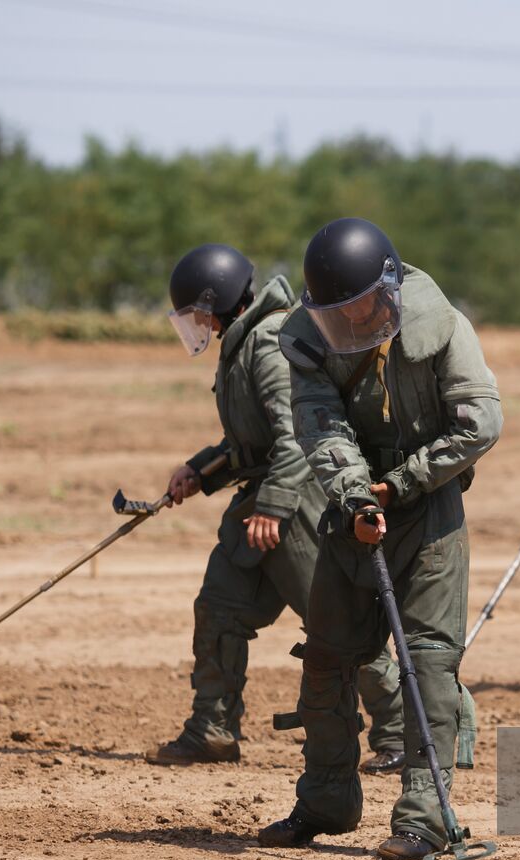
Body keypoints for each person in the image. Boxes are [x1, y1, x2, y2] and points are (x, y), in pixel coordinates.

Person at [258, 218, 502, 860]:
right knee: (327, 658)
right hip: (354, 507)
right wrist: (358, 493)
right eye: (336, 314)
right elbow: (319, 421)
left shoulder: (445, 327)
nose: (351, 322)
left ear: (389, 286)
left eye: (360, 306)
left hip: (428, 512)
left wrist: (402, 483)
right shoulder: (311, 342)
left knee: (428, 665)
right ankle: (325, 801)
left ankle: (425, 821)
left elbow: (481, 423)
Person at [145, 243, 405, 772]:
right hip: (261, 508)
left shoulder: (267, 342)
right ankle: (212, 729)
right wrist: (201, 470)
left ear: (218, 303)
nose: (196, 324)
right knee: (220, 608)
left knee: (342, 622)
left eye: (197, 313)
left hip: (296, 507)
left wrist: (276, 506)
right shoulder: (243, 341)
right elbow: (251, 440)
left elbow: (294, 437)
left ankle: (402, 734)